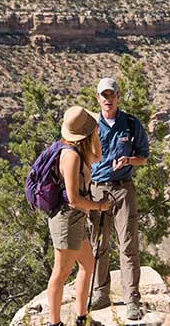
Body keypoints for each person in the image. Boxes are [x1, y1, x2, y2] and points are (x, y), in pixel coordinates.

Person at [88, 78, 149, 320]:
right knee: (98, 245)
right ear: (98, 98)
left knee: (128, 245)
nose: (107, 99)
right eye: (103, 95)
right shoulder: (91, 126)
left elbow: (143, 157)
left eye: (111, 94)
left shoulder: (132, 124)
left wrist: (129, 161)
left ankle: (132, 299)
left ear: (118, 96)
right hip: (97, 190)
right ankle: (100, 293)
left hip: (124, 190)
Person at [47, 106, 111, 326]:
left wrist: (93, 133)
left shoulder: (79, 152)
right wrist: (99, 206)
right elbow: (74, 199)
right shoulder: (71, 157)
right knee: (61, 272)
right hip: (66, 219)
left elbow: (97, 156)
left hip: (75, 219)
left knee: (87, 264)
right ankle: (55, 323)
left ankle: (81, 318)